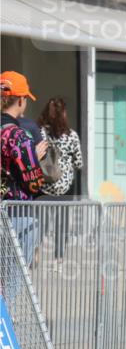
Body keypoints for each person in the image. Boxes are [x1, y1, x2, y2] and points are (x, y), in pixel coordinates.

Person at [1, 70, 47, 269]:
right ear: (20, 100)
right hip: (17, 213)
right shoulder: (18, 136)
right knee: (13, 278)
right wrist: (34, 158)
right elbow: (34, 183)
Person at [36, 97, 84, 269]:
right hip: (64, 186)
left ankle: (35, 253)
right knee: (62, 223)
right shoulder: (72, 136)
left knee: (40, 220)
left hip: (44, 184)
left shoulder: (41, 132)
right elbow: (79, 163)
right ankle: (58, 259)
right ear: (64, 113)